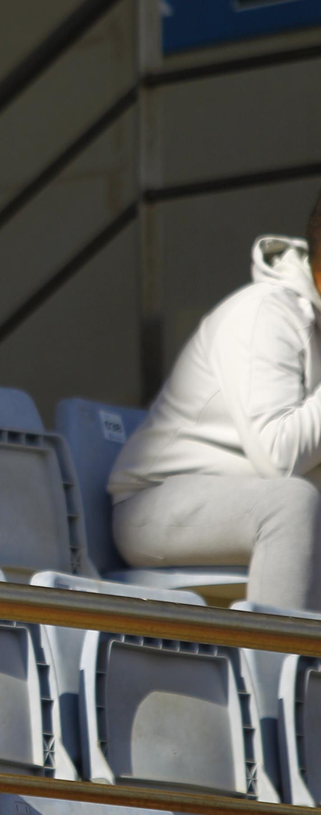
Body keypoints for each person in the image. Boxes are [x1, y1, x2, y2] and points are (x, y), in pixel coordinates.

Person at [109, 208, 321, 611]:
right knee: (291, 504)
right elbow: (280, 455)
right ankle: (278, 671)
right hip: (156, 504)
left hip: (251, 502)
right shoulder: (265, 314)